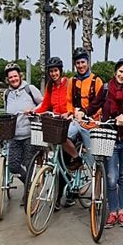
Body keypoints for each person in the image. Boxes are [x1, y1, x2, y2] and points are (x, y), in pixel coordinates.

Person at [87, 59, 123, 227]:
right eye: (120, 71)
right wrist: (83, 112)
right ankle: (112, 211)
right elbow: (94, 105)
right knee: (111, 177)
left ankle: (121, 211)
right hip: (109, 139)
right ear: (115, 72)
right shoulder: (107, 89)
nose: (122, 75)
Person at [34, 57, 85, 209]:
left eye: (56, 71)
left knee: (65, 160)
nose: (54, 73)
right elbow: (45, 104)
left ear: (60, 71)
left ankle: (60, 196)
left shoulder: (68, 83)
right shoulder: (50, 86)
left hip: (70, 122)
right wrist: (34, 111)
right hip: (57, 123)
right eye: (51, 71)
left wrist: (69, 112)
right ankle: (63, 194)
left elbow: (73, 102)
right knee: (60, 163)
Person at [2, 63, 43, 207]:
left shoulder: (29, 89)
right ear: (8, 79)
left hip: (30, 134)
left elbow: (43, 104)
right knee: (13, 166)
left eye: (15, 76)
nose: (13, 79)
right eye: (10, 77)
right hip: (14, 136)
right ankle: (30, 185)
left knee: (29, 164)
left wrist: (33, 111)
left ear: (20, 76)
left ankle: (28, 194)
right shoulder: (7, 94)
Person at [67, 49, 103, 204]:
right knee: (62, 136)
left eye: (83, 62)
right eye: (78, 63)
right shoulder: (72, 81)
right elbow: (68, 100)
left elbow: (100, 103)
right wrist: (70, 112)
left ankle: (96, 194)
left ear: (87, 63)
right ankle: (76, 158)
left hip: (91, 123)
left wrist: (90, 116)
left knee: (92, 160)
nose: (80, 65)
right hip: (76, 120)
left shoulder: (97, 81)